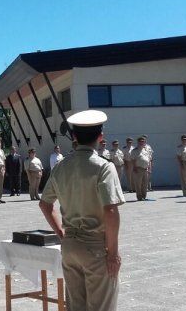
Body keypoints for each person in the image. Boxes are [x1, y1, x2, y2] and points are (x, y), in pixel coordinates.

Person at [39, 110, 125, 311]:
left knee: (75, 306)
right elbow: (110, 211)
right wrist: (113, 254)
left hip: (70, 245)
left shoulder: (61, 166)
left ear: (74, 137)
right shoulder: (104, 167)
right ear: (100, 137)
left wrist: (61, 233)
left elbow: (45, 204)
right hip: (95, 246)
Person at [131, 136, 152, 201]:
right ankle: (139, 197)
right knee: (138, 183)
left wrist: (149, 168)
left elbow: (149, 160)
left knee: (145, 184)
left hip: (145, 168)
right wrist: (134, 168)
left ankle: (144, 196)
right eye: (140, 141)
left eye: (143, 141)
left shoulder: (146, 150)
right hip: (138, 168)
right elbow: (133, 160)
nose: (142, 142)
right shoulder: (135, 151)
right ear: (138, 142)